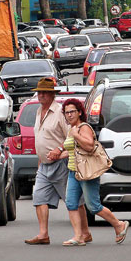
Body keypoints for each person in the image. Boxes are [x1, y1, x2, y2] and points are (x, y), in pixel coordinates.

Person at [50, 99, 129, 246]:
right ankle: (78, 237)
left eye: (72, 112)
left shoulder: (83, 127)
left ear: (79, 112)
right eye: (66, 113)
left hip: (87, 172)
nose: (69, 115)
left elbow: (89, 146)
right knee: (71, 204)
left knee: (93, 206)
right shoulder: (72, 129)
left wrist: (76, 135)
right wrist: (56, 155)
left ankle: (119, 225)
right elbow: (74, 150)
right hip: (74, 171)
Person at [24, 77, 92, 245]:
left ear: (52, 94)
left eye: (44, 92)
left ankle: (85, 232)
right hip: (44, 164)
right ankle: (43, 234)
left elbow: (73, 135)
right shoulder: (39, 111)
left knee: (74, 200)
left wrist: (60, 149)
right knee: (39, 198)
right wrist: (40, 160)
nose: (40, 95)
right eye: (39, 92)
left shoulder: (61, 113)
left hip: (61, 163)